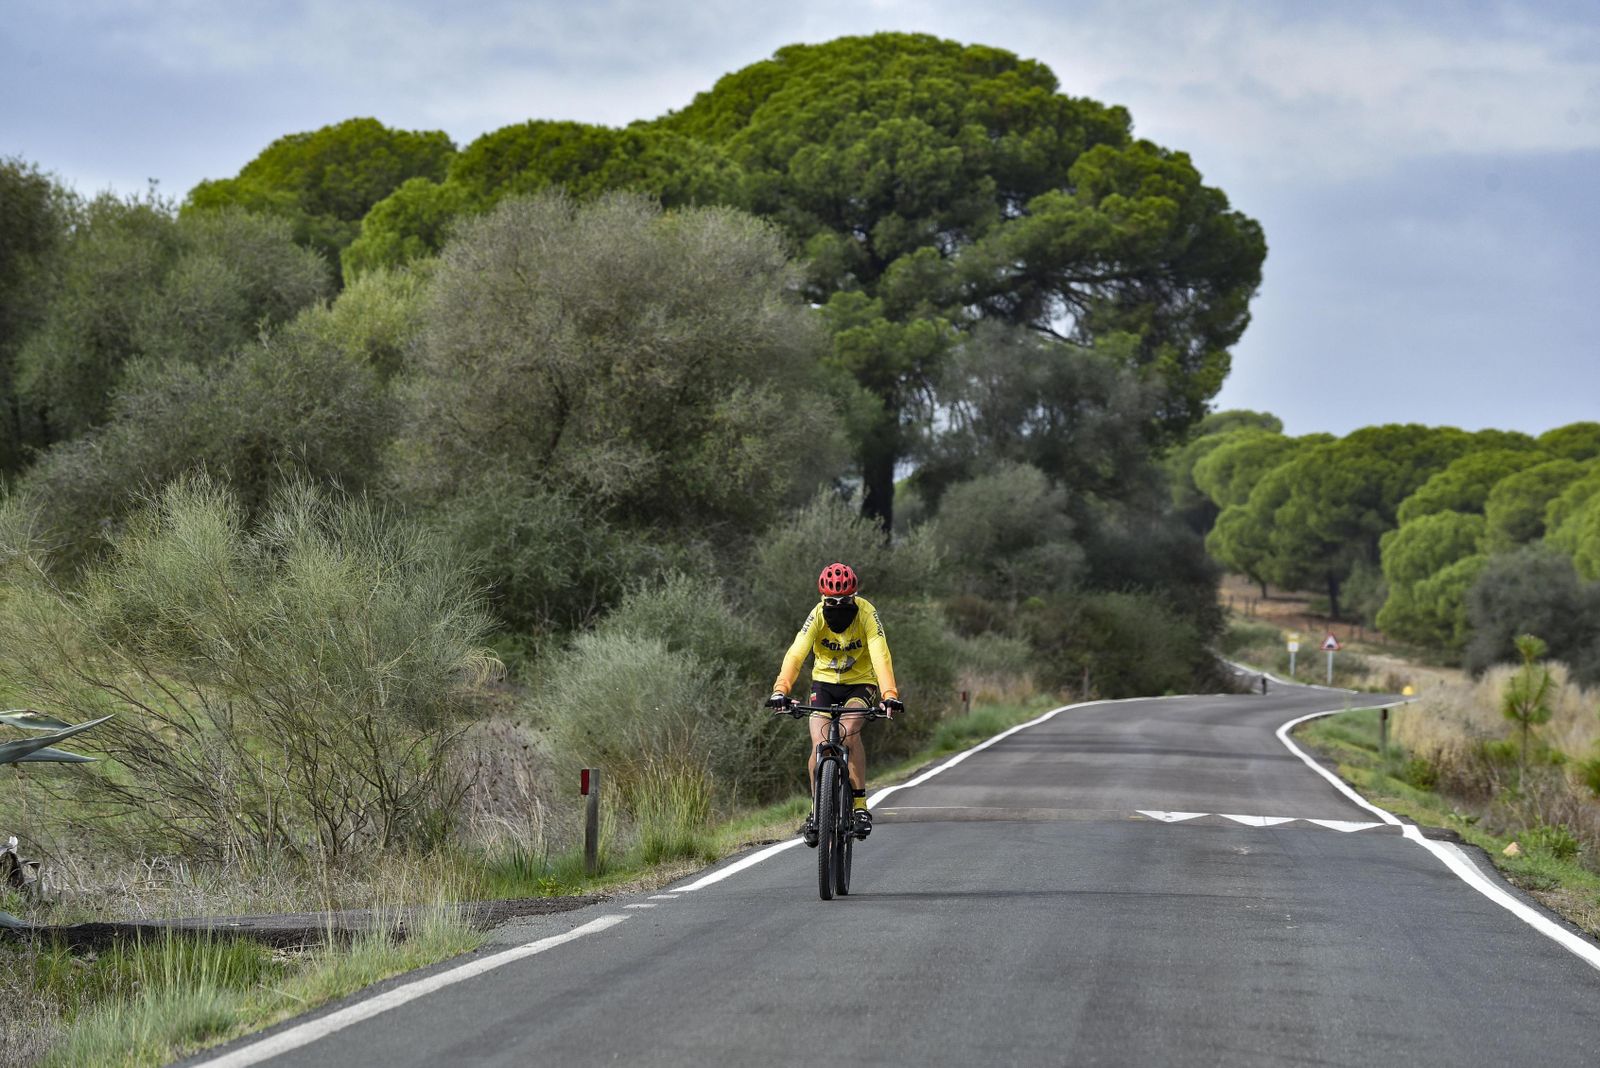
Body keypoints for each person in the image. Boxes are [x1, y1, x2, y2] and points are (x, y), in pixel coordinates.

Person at [766, 561, 903, 846]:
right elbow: (795, 654)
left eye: (845, 601)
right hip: (824, 684)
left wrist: (889, 694)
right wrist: (781, 690)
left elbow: (880, 654)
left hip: (860, 682)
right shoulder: (816, 615)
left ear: (854, 596)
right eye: (831, 601)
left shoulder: (866, 613)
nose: (838, 606)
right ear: (822, 599)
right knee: (819, 742)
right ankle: (818, 811)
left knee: (850, 730)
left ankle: (860, 805)